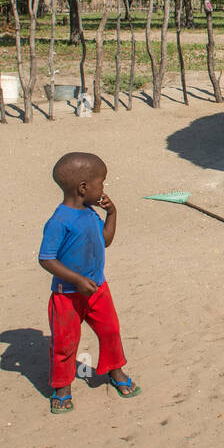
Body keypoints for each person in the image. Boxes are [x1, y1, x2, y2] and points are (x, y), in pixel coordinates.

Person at [38, 152, 140, 414]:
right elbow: (46, 259)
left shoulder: (90, 213)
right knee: (65, 343)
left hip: (98, 289)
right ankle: (62, 387)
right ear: (84, 188)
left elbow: (105, 240)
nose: (103, 188)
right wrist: (77, 280)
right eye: (101, 183)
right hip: (66, 295)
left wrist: (112, 213)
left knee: (110, 331)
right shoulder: (59, 221)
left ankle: (114, 371)